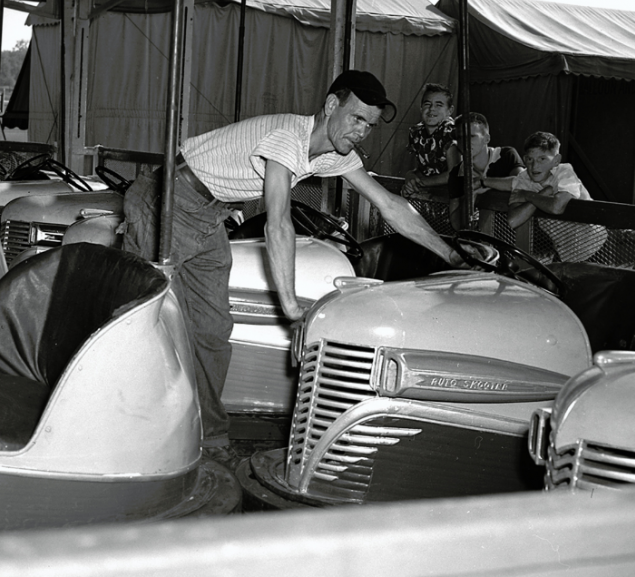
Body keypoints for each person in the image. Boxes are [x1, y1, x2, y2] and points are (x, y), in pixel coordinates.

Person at [121, 69, 466, 468]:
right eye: (356, 119)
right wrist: (290, 308)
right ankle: (126, 426)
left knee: (212, 330)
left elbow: (389, 205)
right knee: (139, 318)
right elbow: (278, 222)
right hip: (166, 198)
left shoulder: (336, 154)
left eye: (369, 126)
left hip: (208, 214)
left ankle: (208, 436)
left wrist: (452, 255)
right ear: (331, 106)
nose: (361, 132)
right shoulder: (290, 138)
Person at [508, 131, 606, 262]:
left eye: (542, 159)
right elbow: (513, 220)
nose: (535, 166)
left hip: (595, 248)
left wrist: (527, 195)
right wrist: (540, 195)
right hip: (565, 254)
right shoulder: (524, 177)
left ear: (556, 160)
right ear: (525, 159)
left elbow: (557, 207)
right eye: (530, 159)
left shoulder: (564, 172)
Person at [446, 113, 523, 231]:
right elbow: (456, 224)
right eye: (460, 138)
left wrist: (483, 182)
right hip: (484, 239)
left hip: (520, 234)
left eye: (471, 136)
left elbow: (522, 182)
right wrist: (471, 196)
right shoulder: (457, 173)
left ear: (486, 139)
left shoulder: (506, 155)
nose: (465, 142)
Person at [401, 83, 456, 198]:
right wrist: (410, 175)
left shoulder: (451, 132)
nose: (432, 109)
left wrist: (421, 183)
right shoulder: (416, 132)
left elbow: (454, 174)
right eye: (427, 104)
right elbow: (423, 169)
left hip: (455, 198)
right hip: (431, 197)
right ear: (421, 108)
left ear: (450, 110)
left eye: (439, 105)